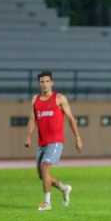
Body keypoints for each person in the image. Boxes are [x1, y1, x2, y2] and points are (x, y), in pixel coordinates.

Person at [24, 71, 83, 211]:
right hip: (42, 143)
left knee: (45, 167)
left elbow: (70, 118)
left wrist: (78, 137)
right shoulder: (35, 100)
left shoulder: (59, 98)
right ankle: (64, 188)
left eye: (47, 81)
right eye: (42, 82)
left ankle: (47, 203)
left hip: (56, 142)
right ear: (39, 83)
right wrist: (28, 136)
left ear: (52, 82)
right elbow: (32, 120)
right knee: (42, 175)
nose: (44, 84)